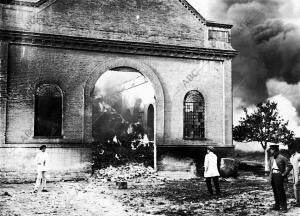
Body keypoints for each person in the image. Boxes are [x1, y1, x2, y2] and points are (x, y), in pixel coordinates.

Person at [268, 144, 292, 213]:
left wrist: (284, 174)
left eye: (271, 149)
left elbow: (290, 166)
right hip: (273, 175)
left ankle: (284, 207)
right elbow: (270, 168)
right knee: (275, 191)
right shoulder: (271, 158)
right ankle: (277, 206)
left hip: (279, 175)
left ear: (275, 150)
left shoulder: (282, 157)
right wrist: (270, 176)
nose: (270, 151)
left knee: (280, 192)